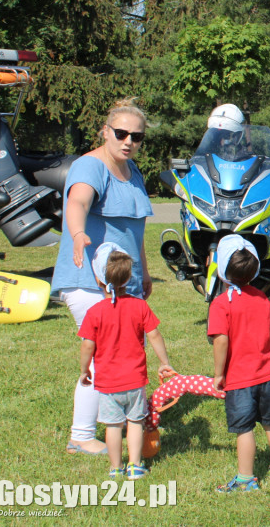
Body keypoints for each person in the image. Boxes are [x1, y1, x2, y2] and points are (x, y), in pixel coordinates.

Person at [53, 98, 154, 456]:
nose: (129, 141)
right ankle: (81, 435)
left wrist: (142, 270)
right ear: (105, 131)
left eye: (136, 136)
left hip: (125, 281)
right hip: (87, 280)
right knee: (106, 357)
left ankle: (119, 422)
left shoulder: (134, 171)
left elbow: (134, 230)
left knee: (119, 356)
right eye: (122, 133)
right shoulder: (90, 166)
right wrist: (78, 233)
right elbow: (77, 202)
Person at [78, 243, 173, 480]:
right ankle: (135, 465)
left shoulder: (95, 312)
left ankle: (115, 467)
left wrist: (83, 370)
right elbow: (154, 335)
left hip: (108, 383)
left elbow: (87, 344)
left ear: (99, 281)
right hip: (135, 380)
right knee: (135, 422)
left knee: (113, 426)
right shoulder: (139, 306)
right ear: (128, 277)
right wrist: (164, 361)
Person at [208, 235, 270, 492]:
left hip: (239, 380)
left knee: (244, 429)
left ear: (221, 268)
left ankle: (245, 478)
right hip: (267, 375)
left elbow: (221, 341)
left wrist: (218, 374)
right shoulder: (263, 299)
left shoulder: (221, 304)